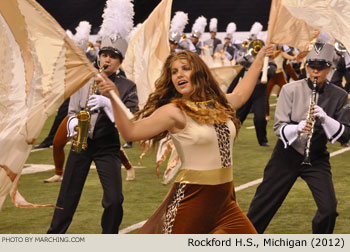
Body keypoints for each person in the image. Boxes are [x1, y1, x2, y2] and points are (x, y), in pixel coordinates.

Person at [97, 45, 274, 234]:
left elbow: (240, 95)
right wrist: (113, 97)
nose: (179, 75)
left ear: (199, 72)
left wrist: (259, 58)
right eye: (174, 72)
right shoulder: (174, 112)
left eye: (185, 68)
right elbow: (131, 132)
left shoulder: (218, 103)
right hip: (191, 200)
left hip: (225, 201)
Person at [247, 43, 350, 234]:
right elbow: (279, 127)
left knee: (329, 209)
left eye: (321, 68)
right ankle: (244, 242)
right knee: (261, 206)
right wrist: (299, 127)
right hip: (285, 155)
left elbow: (346, 133)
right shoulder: (290, 89)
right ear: (306, 66)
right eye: (311, 66)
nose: (315, 72)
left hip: (317, 157)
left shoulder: (340, 95)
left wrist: (326, 120)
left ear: (330, 69)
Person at [47, 36, 138, 234]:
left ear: (120, 61)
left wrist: (108, 103)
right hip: (81, 142)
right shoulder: (84, 80)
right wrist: (75, 127)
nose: (107, 60)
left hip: (108, 145)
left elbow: (130, 120)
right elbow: (71, 111)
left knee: (114, 199)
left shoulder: (127, 86)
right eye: (104, 55)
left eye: (113, 57)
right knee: (67, 196)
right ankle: (53, 237)